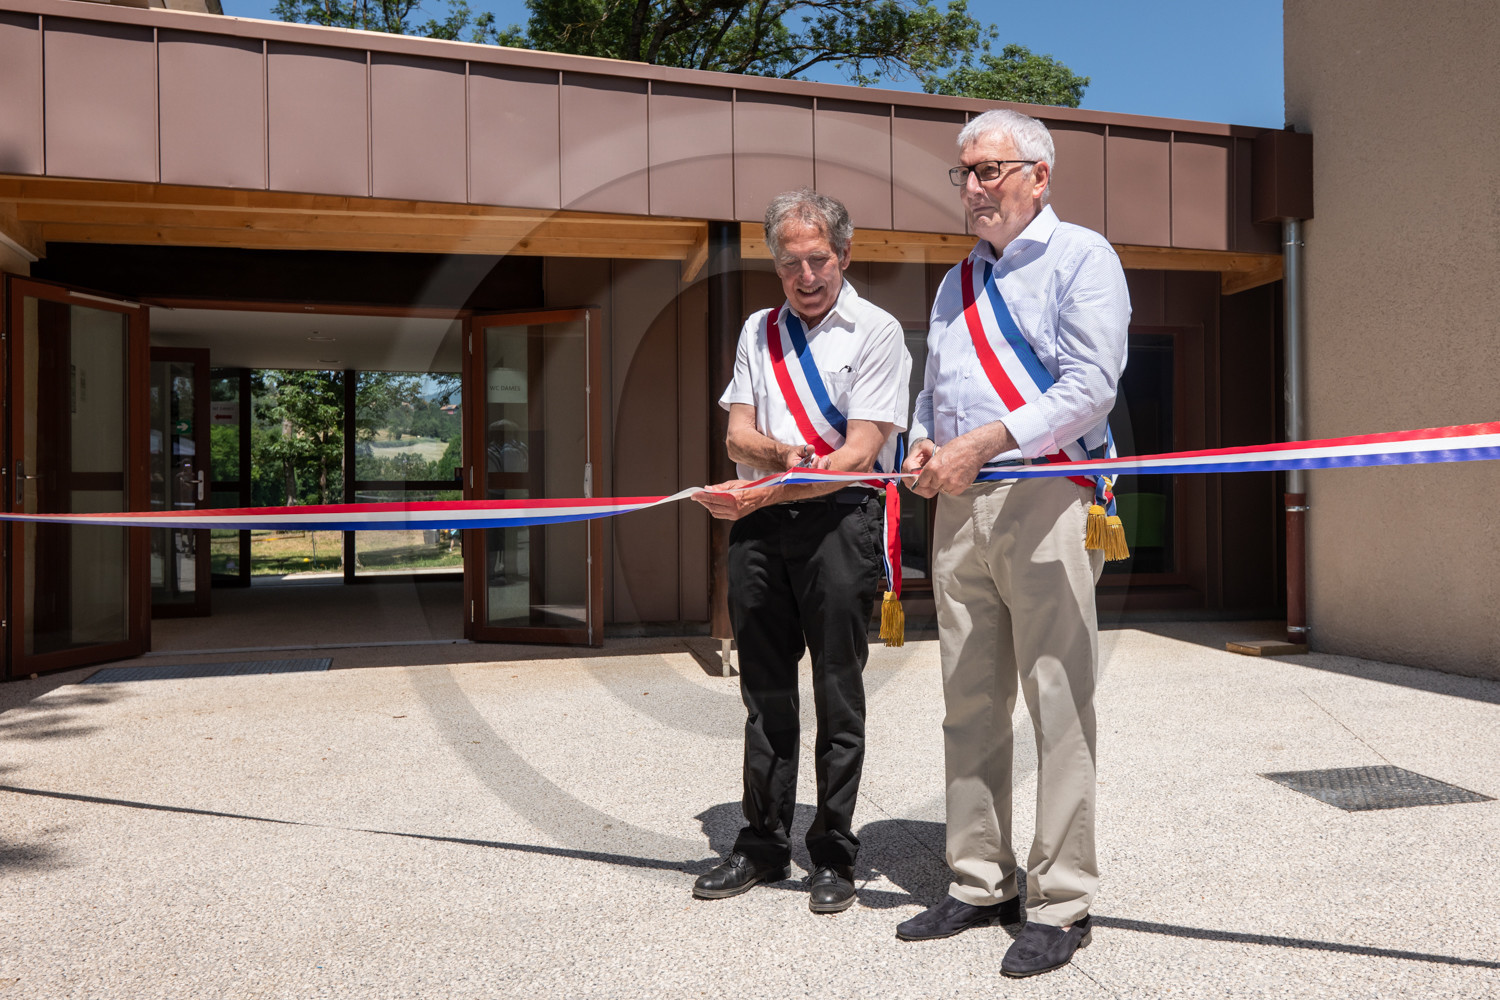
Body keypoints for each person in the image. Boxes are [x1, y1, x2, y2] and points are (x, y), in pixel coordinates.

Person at [896, 109, 1130, 977]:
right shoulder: (955, 283)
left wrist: (986, 441)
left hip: (1047, 501)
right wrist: (924, 445)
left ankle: (1062, 899)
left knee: (1058, 704)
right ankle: (979, 878)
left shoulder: (1083, 259)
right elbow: (936, 391)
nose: (974, 187)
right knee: (968, 699)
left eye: (991, 170)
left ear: (1039, 175)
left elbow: (1092, 388)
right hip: (960, 508)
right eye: (965, 173)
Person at [692, 189, 911, 914]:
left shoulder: (877, 332)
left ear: (844, 257)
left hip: (839, 526)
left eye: (819, 260)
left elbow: (859, 451)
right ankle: (760, 844)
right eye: (791, 263)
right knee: (765, 693)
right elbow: (736, 435)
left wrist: (774, 478)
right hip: (759, 527)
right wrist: (783, 454)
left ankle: (834, 852)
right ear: (776, 264)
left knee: (838, 695)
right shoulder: (759, 331)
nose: (806, 276)